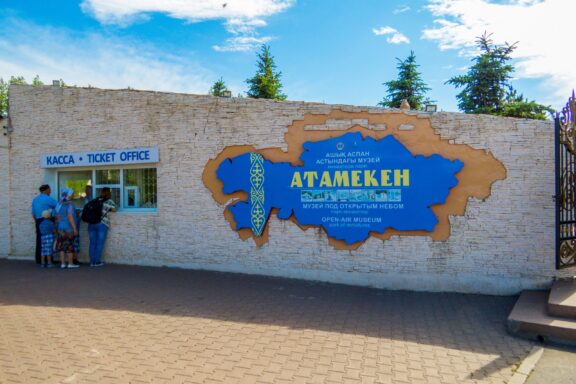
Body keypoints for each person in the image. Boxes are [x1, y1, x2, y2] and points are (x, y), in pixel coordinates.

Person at [88, 187, 116, 267]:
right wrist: (108, 209)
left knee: (92, 243)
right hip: (102, 224)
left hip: (91, 223)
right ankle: (97, 262)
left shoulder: (96, 200)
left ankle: (92, 262)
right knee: (99, 243)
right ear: (109, 193)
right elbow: (114, 210)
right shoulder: (109, 201)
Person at [31, 184, 57, 264]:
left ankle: (39, 259)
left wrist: (37, 221)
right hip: (47, 220)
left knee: (40, 240)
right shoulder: (48, 199)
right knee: (49, 240)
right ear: (46, 190)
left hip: (38, 221)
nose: (50, 191)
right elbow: (58, 206)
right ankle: (49, 260)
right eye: (49, 190)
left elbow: (33, 214)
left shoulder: (35, 199)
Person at [54, 188, 79, 269]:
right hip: (68, 228)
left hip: (60, 227)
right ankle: (70, 263)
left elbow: (57, 217)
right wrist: (75, 229)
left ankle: (63, 263)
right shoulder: (70, 204)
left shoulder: (59, 204)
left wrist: (57, 227)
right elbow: (70, 216)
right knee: (69, 245)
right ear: (69, 195)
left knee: (61, 246)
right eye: (72, 194)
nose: (73, 195)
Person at [73, 185, 93, 265]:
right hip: (74, 226)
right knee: (74, 240)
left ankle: (74, 259)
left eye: (88, 190)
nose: (87, 191)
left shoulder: (92, 199)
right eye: (86, 190)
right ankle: (73, 259)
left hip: (86, 222)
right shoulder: (84, 199)